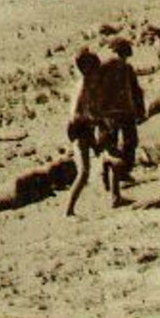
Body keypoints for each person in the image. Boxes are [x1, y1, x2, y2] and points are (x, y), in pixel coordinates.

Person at [93, 38, 146, 205]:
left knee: (125, 144)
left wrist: (139, 110)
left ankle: (117, 175)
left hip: (123, 113)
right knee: (114, 149)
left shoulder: (124, 68)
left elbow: (136, 91)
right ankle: (112, 188)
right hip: (111, 114)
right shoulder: (106, 68)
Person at [64, 49, 106, 217]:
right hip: (79, 129)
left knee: (91, 166)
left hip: (85, 128)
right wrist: (93, 118)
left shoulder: (89, 84)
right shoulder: (82, 85)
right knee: (83, 172)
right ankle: (68, 211)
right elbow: (75, 114)